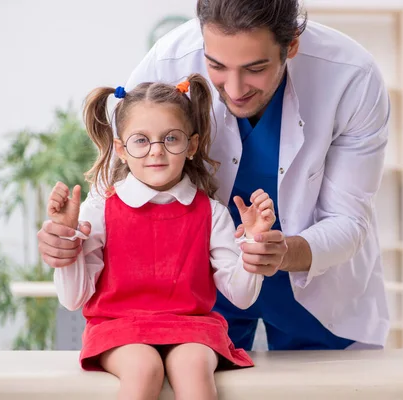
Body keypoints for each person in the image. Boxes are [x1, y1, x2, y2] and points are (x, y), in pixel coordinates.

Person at [38, 0, 391, 352]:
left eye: (256, 68)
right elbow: (125, 170)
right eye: (216, 66)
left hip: (317, 286)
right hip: (196, 292)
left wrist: (283, 253)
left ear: (291, 46)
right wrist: (69, 238)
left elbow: (347, 218)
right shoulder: (170, 61)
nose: (235, 90)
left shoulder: (351, 76)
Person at [46, 73, 278, 400]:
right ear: (121, 150)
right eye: (141, 140)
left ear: (192, 145)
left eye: (171, 138)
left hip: (193, 330)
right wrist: (69, 239)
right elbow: (73, 299)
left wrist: (253, 243)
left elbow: (240, 297)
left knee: (193, 368)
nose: (156, 151)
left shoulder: (211, 213)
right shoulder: (99, 208)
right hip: (119, 328)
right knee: (143, 368)